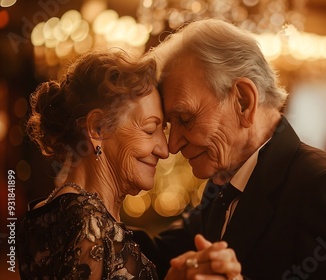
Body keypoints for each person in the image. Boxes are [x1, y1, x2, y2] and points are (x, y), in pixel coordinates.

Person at [140, 19, 326, 279]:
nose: (172, 145)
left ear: (243, 101)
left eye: (185, 118)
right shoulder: (223, 187)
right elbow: (151, 257)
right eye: (171, 124)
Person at [18, 50, 243, 280]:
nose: (165, 150)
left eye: (162, 130)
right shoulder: (87, 224)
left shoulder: (53, 214)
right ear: (97, 129)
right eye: (149, 129)